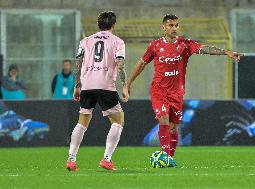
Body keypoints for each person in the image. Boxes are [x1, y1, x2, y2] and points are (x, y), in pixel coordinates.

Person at [127, 14, 241, 167]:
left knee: (174, 127)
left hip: (176, 93)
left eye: (176, 25)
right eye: (170, 25)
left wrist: (225, 52)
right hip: (159, 91)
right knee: (164, 119)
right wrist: (128, 83)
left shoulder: (185, 45)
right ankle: (165, 156)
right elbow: (141, 64)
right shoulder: (155, 46)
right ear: (164, 27)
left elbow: (205, 49)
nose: (174, 28)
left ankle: (169, 158)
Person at [66, 11, 129, 172]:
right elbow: (120, 64)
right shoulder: (118, 42)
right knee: (118, 121)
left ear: (98, 25)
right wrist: (125, 85)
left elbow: (78, 63)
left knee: (82, 122)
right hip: (106, 85)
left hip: (87, 85)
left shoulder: (86, 40)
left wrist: (76, 85)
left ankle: (71, 160)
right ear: (113, 25)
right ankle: (106, 159)